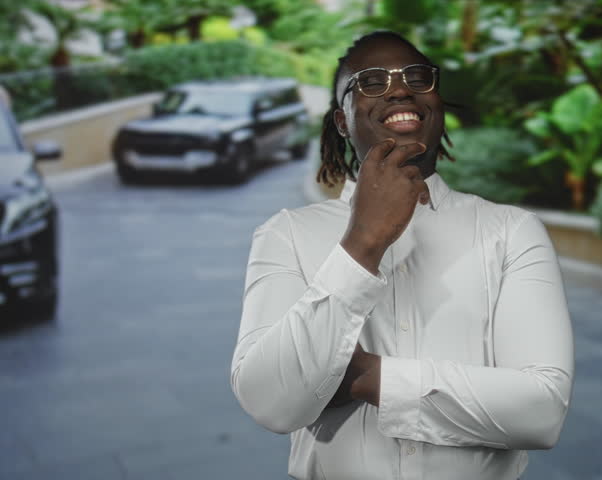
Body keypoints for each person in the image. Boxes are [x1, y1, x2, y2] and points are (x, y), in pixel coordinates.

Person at [230, 30, 574, 480]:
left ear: (437, 105)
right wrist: (362, 243)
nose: (399, 89)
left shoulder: (511, 231)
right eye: (371, 82)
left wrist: (361, 376)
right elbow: (270, 403)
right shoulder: (286, 234)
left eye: (417, 77)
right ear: (342, 121)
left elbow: (541, 411)